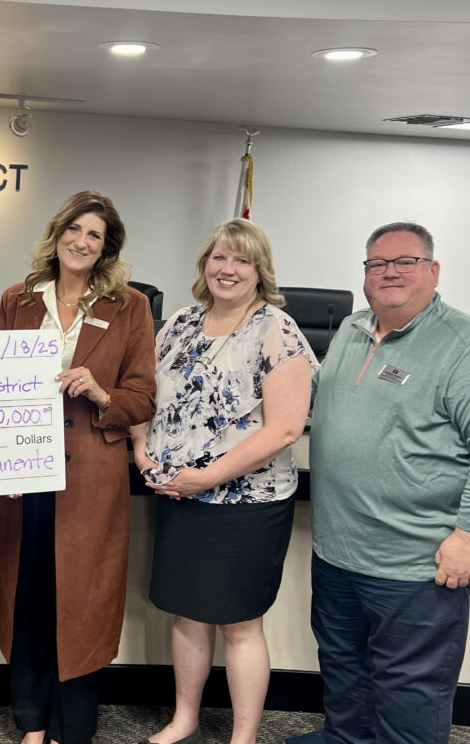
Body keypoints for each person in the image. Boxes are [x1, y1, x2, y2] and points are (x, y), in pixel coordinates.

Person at [131, 218, 316, 744]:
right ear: (204, 264)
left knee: (239, 624)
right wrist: (141, 450)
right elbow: (144, 392)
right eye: (219, 257)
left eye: (242, 259)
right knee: (188, 615)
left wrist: (206, 477)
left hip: (247, 504)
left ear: (260, 271)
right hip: (180, 497)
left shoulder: (276, 328)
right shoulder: (179, 322)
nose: (228, 269)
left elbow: (284, 428)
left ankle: (243, 736)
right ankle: (184, 720)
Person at [286, 222, 470, 744]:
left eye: (406, 261)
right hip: (338, 551)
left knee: (410, 687)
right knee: (344, 666)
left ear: (433, 270)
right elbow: (312, 394)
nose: (390, 272)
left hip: (415, 563)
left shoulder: (460, 344)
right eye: (377, 263)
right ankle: (346, 738)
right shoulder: (351, 328)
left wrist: (466, 536)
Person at [0, 190, 156, 744]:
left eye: (95, 235)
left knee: (82, 598)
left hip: (90, 474)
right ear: (57, 232)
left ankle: (72, 725)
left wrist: (102, 392)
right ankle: (32, 722)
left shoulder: (129, 306)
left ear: (106, 248)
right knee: (29, 592)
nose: (82, 242)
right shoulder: (17, 300)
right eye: (75, 229)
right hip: (24, 471)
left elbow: (143, 397)